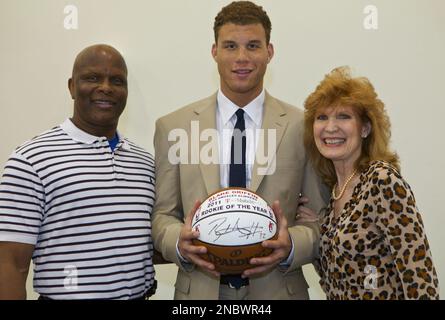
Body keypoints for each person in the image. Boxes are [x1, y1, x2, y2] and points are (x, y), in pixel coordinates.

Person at [152, 1, 327, 300]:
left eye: (253, 46)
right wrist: (177, 241)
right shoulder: (174, 127)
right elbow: (162, 215)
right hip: (198, 294)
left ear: (269, 52)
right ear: (214, 51)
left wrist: (292, 244)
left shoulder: (302, 127)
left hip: (280, 290)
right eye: (230, 46)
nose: (242, 58)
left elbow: (320, 219)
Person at [0, 44, 156, 300]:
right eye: (92, 78)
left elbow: (140, 245)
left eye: (117, 80)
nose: (105, 87)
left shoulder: (144, 162)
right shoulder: (30, 160)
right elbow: (11, 264)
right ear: (72, 87)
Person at [302, 66, 440, 299]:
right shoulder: (331, 192)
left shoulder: (382, 181)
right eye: (322, 117)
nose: (330, 127)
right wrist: (317, 227)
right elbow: (335, 282)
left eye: (343, 116)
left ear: (365, 128)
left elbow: (419, 279)